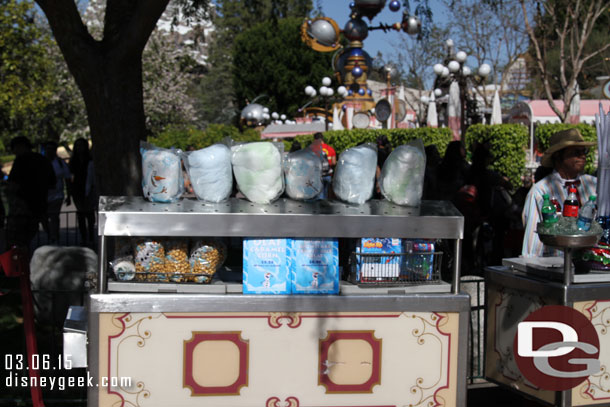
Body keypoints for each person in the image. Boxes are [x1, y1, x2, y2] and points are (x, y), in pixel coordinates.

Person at [522, 128, 597, 257]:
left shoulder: (594, 185)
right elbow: (533, 245)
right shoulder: (541, 191)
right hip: (556, 267)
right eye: (576, 152)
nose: (583, 156)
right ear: (558, 156)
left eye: (584, 151)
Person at [5, 136, 56, 250]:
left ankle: (18, 265)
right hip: (39, 206)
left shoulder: (21, 160)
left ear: (20, 146)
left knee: (15, 242)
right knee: (27, 240)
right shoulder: (43, 160)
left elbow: (13, 185)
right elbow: (52, 183)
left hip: (21, 209)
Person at [69, 138, 96, 246]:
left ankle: (91, 237)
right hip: (78, 190)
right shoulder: (73, 161)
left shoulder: (90, 160)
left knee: (89, 214)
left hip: (89, 189)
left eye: (82, 145)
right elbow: (70, 176)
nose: (80, 148)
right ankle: (83, 237)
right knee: (81, 214)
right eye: (78, 146)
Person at [43, 141, 72, 244]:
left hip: (57, 195)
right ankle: (50, 234)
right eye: (47, 149)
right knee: (44, 218)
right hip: (43, 196)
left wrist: (69, 195)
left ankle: (54, 237)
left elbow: (67, 179)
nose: (49, 151)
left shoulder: (60, 163)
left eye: (51, 149)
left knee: (54, 216)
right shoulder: (41, 162)